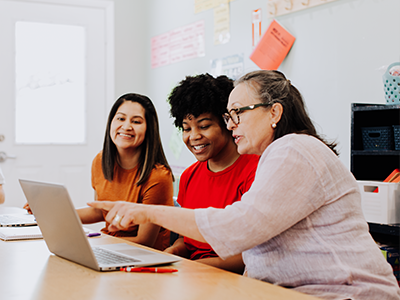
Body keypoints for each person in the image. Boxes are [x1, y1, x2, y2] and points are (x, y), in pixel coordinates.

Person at [88, 71, 400, 300]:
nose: (231, 123)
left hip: (345, 294)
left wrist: (147, 212)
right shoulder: (277, 155)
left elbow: (238, 226)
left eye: (237, 113)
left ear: (274, 112)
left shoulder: (294, 149)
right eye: (228, 115)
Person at [25, 93, 174, 251]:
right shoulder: (101, 161)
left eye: (136, 121)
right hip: (108, 247)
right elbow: (99, 211)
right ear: (111, 122)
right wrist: (52, 214)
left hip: (143, 257)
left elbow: (144, 241)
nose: (126, 126)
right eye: (121, 118)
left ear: (149, 129)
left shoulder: (158, 176)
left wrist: (96, 244)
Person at [165, 74, 259, 273]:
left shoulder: (254, 170)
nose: (194, 136)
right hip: (192, 276)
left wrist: (193, 267)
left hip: (231, 279)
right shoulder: (189, 176)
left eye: (204, 126)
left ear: (228, 122)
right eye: (186, 128)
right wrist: (174, 252)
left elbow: (250, 256)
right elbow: (186, 240)